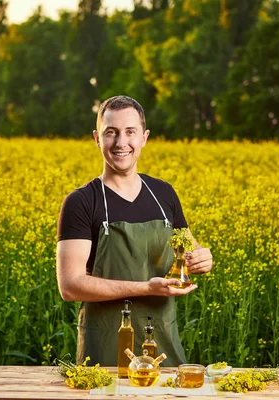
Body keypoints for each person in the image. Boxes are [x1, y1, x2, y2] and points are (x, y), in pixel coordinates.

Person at [56, 95, 213, 367]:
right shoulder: (81, 202)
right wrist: (145, 288)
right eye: (111, 133)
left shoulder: (164, 194)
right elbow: (70, 286)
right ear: (96, 138)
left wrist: (202, 258)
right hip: (105, 344)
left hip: (163, 340)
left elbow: (188, 247)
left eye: (130, 132)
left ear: (144, 137)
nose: (121, 143)